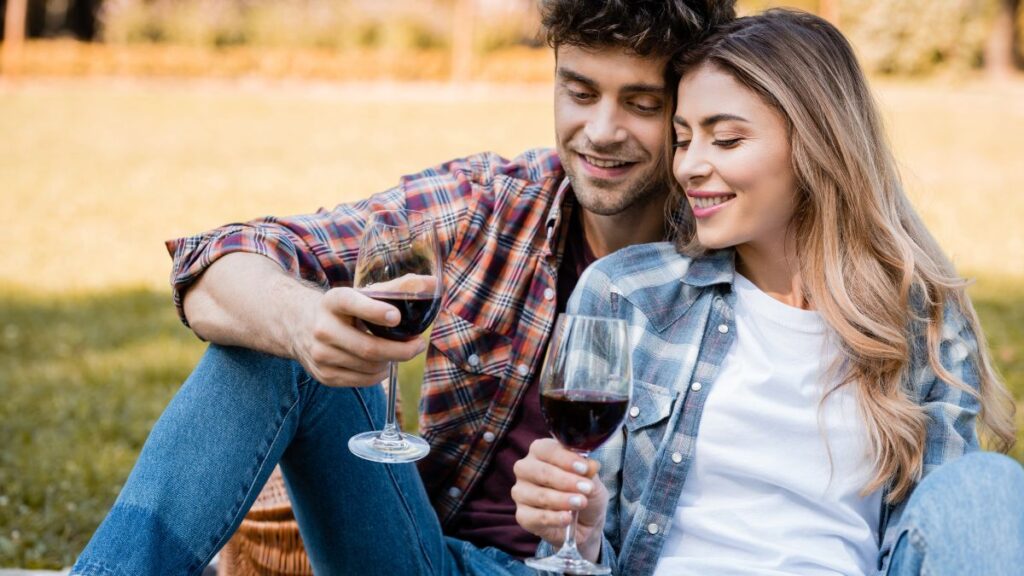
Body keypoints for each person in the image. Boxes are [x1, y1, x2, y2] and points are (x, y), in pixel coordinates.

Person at [69, 2, 738, 575]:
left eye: (641, 104)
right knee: (271, 333)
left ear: (688, 109)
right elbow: (217, 259)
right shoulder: (494, 205)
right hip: (422, 556)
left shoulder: (734, 261)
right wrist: (302, 320)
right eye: (580, 93)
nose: (600, 131)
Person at [511, 9, 1024, 576]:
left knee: (987, 487)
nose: (690, 166)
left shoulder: (919, 319)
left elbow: (936, 537)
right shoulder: (630, 294)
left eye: (726, 139)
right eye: (683, 140)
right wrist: (578, 536)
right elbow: (576, 556)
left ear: (815, 144)